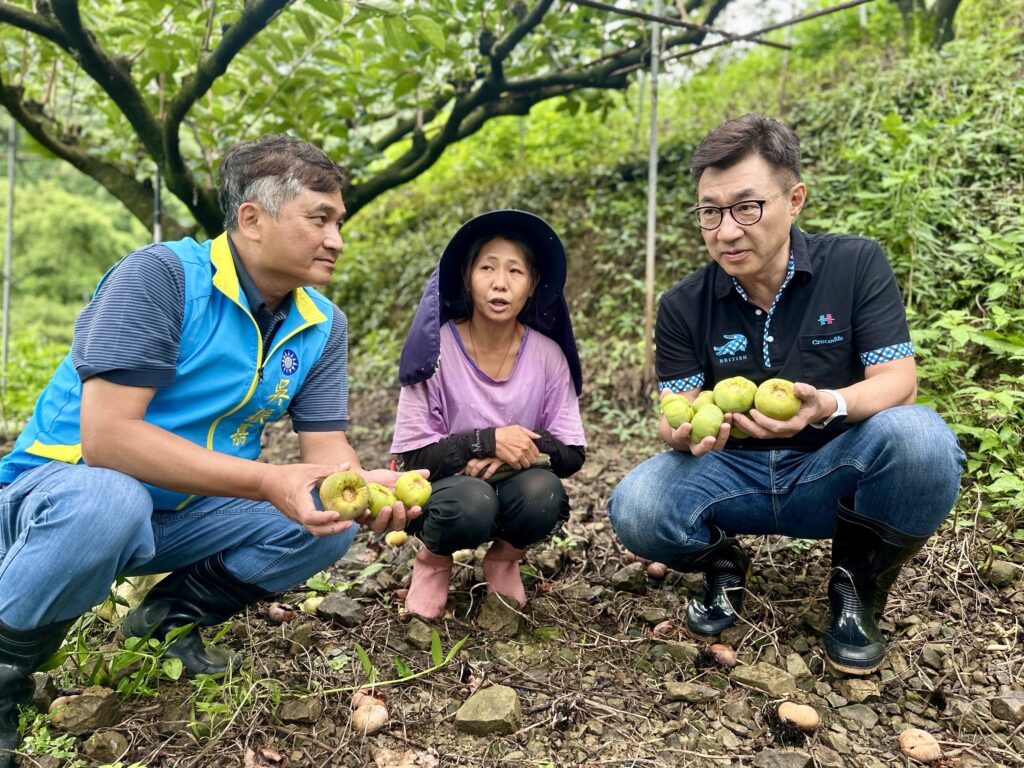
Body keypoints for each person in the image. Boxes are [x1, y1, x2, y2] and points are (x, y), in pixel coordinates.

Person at [0, 135, 419, 764]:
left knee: (324, 524)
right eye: (320, 219)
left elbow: (327, 447)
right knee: (109, 503)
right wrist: (264, 481)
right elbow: (108, 438)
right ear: (252, 219)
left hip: (179, 513)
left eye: (339, 221)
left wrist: (366, 493)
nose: (337, 238)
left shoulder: (321, 322)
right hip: (62, 498)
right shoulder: (161, 278)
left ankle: (163, 621)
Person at [609, 115, 964, 675]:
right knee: (637, 505)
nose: (726, 231)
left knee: (922, 438)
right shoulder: (684, 304)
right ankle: (723, 564)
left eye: (747, 207)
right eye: (710, 211)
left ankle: (858, 586)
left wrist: (828, 404)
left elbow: (900, 380)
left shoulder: (853, 265)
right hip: (732, 477)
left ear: (794, 199)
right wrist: (680, 432)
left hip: (832, 470)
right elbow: (674, 409)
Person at [390, 210, 587, 620]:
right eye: (487, 268)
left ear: (532, 285)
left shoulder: (549, 357)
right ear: (466, 276)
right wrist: (485, 441)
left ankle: (505, 559)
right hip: (452, 489)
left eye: (516, 271)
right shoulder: (435, 351)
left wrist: (517, 445)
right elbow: (411, 459)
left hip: (517, 481)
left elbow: (571, 453)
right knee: (471, 502)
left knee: (543, 494)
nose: (501, 282)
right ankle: (433, 562)